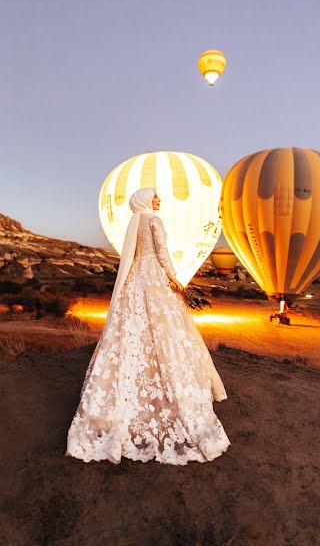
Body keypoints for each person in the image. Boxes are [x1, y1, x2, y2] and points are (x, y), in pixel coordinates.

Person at [65, 187, 231, 465]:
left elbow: (132, 257)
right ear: (145, 200)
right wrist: (177, 280)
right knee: (166, 329)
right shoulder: (153, 221)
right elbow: (162, 253)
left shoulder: (134, 223)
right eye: (155, 196)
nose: (159, 200)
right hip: (154, 276)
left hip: (136, 278)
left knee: (134, 328)